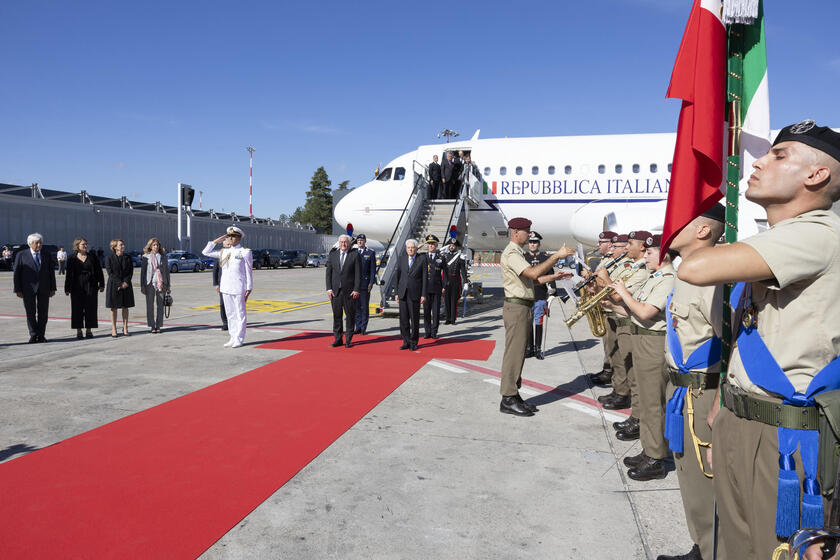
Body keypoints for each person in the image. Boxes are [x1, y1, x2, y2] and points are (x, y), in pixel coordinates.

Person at [678, 121, 840, 559]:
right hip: (745, 419)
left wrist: (686, 230)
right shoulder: (777, 240)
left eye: (780, 155)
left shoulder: (816, 233)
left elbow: (693, 269)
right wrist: (725, 412)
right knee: (737, 548)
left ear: (816, 176)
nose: (758, 162)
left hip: (786, 439)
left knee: (773, 550)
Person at [656, 205, 725, 560]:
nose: (671, 228)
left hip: (702, 392)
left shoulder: (711, 276)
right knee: (688, 476)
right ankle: (701, 545)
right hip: (681, 390)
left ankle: (712, 550)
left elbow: (731, 343)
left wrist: (719, 404)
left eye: (681, 222)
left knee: (704, 482)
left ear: (702, 231)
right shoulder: (687, 274)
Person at [610, 233, 675, 481]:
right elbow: (634, 310)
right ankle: (649, 449)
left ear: (664, 254)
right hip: (642, 338)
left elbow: (646, 312)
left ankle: (656, 457)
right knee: (647, 400)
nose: (645, 256)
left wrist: (623, 293)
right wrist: (610, 303)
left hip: (653, 342)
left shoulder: (667, 279)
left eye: (650, 252)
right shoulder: (655, 277)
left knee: (653, 403)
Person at [499, 217, 574, 416]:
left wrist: (554, 277)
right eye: (526, 232)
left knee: (518, 353)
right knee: (514, 354)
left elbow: (536, 279)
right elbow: (532, 274)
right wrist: (556, 257)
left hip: (522, 307)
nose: (529, 235)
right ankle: (507, 397)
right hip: (516, 308)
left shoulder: (518, 253)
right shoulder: (512, 253)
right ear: (515, 232)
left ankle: (513, 395)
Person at [596, 231, 649, 414]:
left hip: (627, 319)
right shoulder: (629, 267)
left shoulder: (639, 270)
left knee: (629, 365)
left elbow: (618, 294)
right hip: (618, 315)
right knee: (618, 358)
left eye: (628, 244)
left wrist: (605, 279)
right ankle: (619, 390)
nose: (625, 247)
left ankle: (627, 399)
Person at [202, 226, 253, 348]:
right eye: (229, 236)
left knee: (240, 313)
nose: (230, 238)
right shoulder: (223, 251)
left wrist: (249, 287)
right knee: (230, 314)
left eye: (233, 236)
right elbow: (205, 252)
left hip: (239, 286)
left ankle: (239, 338)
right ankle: (232, 336)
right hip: (226, 286)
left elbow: (248, 271)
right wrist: (216, 241)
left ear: (239, 238)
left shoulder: (245, 252)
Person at [588, 230, 618, 386]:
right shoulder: (605, 260)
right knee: (607, 343)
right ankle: (607, 368)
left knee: (612, 344)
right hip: (604, 305)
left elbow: (609, 282)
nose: (597, 245)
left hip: (612, 307)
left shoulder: (613, 261)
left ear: (610, 243)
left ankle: (611, 373)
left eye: (601, 242)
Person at [13, 232, 56, 343]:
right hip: (27, 289)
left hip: (44, 288)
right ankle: (33, 334)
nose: (39, 245)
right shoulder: (21, 255)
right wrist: (17, 289)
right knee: (30, 313)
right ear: (30, 244)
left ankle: (41, 335)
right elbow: (17, 273)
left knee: (43, 313)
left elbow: (51, 272)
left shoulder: (46, 255)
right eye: (36, 243)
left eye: (40, 243)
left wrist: (53, 288)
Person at [64, 237, 104, 339]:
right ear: (77, 246)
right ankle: (79, 330)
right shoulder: (71, 258)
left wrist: (102, 284)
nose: (85, 246)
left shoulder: (92, 256)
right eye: (83, 244)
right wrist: (67, 288)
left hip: (91, 285)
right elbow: (68, 274)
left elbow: (99, 270)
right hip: (76, 286)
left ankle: (89, 330)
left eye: (86, 244)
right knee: (77, 308)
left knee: (90, 307)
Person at [524, 231, 556, 360]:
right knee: (528, 323)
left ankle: (537, 349)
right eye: (531, 242)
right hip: (527, 295)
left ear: (539, 244)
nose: (532, 244)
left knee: (538, 322)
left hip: (540, 294)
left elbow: (551, 274)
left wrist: (552, 290)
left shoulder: (545, 259)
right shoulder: (523, 258)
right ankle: (529, 348)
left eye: (535, 242)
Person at [325, 234, 361, 348]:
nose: (343, 244)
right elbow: (328, 273)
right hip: (335, 291)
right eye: (341, 242)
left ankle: (349, 340)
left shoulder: (355, 255)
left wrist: (356, 289)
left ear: (349, 243)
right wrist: (329, 289)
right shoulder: (333, 255)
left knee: (350, 316)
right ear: (338, 243)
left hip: (350, 292)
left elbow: (358, 274)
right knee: (337, 316)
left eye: (345, 242)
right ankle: (338, 339)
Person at [395, 239, 427, 350]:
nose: (410, 249)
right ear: (406, 249)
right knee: (403, 320)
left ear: (416, 248)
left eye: (412, 247)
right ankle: (406, 341)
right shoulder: (402, 259)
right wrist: (396, 293)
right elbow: (397, 276)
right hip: (403, 293)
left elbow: (424, 278)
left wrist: (423, 294)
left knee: (414, 320)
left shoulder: (421, 259)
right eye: (408, 248)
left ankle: (414, 342)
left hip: (415, 293)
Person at [139, 237, 170, 334]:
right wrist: (142, 286)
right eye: (154, 245)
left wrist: (168, 285)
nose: (156, 246)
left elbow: (167, 271)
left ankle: (159, 325)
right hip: (149, 283)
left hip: (161, 283)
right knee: (150, 306)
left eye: (157, 245)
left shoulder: (163, 256)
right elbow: (143, 272)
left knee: (160, 305)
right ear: (150, 246)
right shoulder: (145, 257)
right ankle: (152, 325)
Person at [105, 239, 135, 337]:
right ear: (115, 247)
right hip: (114, 285)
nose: (123, 246)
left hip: (126, 285)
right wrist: (119, 283)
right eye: (121, 245)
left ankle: (125, 327)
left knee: (125, 307)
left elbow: (130, 271)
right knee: (114, 308)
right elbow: (110, 273)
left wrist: (126, 282)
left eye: (123, 244)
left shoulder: (128, 257)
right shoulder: (109, 258)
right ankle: (114, 328)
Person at [422, 235, 445, 339]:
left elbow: (446, 273)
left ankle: (434, 331)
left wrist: (444, 286)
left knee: (435, 312)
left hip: (436, 288)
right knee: (426, 311)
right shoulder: (422, 257)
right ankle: (427, 331)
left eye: (433, 244)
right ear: (427, 245)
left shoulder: (441, 258)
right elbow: (409, 255)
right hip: (425, 289)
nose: (431, 246)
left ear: (436, 245)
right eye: (429, 244)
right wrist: (417, 248)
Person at [354, 234, 377, 335]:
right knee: (356, 307)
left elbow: (373, 270)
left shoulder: (370, 253)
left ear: (365, 241)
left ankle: (363, 327)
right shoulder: (353, 252)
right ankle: (357, 327)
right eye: (358, 240)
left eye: (361, 240)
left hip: (365, 284)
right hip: (354, 284)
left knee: (364, 307)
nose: (359, 242)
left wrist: (371, 282)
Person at [441, 238, 468, 324]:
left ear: (456, 247)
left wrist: (466, 282)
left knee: (454, 300)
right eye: (450, 245)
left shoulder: (460, 257)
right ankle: (447, 318)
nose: (452, 247)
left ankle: (453, 319)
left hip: (455, 281)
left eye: (453, 246)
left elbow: (463, 271)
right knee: (446, 300)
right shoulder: (444, 256)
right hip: (446, 280)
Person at [212, 237, 231, 331]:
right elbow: (215, 271)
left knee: (232, 304)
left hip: (233, 283)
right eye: (226, 242)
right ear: (223, 244)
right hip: (222, 283)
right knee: (223, 304)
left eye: (229, 241)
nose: (228, 243)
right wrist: (216, 284)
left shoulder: (236, 252)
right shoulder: (219, 255)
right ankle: (225, 322)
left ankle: (232, 321)